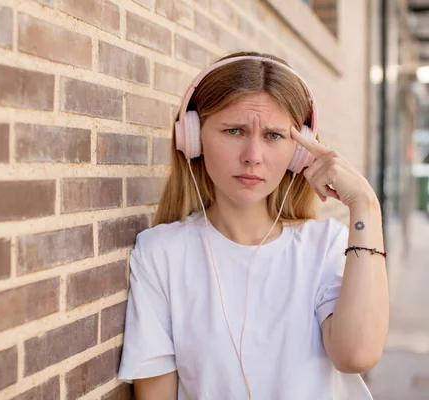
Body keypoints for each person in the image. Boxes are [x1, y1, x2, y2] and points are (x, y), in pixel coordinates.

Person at [117, 51, 389, 400]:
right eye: (234, 130)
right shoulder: (160, 253)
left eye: (274, 136)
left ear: (301, 152)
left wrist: (365, 204)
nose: (252, 155)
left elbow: (357, 355)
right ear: (193, 137)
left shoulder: (325, 246)